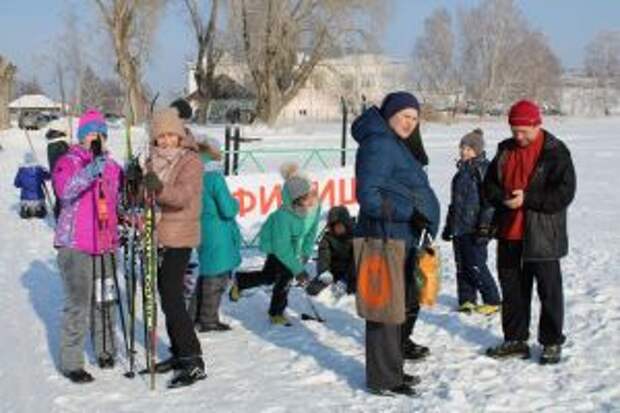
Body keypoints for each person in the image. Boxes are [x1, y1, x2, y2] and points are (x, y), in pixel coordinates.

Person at [352, 91, 440, 396]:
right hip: (383, 236)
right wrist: (409, 214)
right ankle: (383, 379)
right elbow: (369, 196)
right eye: (405, 116)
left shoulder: (392, 142)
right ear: (390, 114)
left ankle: (392, 371)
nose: (410, 123)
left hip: (399, 237)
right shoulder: (379, 144)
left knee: (395, 310)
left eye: (415, 119)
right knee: (384, 312)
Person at [483, 100, 576, 365]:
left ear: (537, 124)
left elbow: (564, 193)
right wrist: (503, 197)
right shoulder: (504, 150)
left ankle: (551, 342)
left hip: (543, 234)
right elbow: (488, 187)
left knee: (549, 291)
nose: (519, 136)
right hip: (509, 232)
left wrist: (528, 199)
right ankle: (515, 339)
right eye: (515, 130)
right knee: (512, 290)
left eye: (524, 131)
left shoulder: (556, 152)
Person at [52, 108, 123, 383]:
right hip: (75, 246)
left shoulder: (112, 166)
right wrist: (92, 169)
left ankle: (105, 350)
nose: (96, 138)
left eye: (100, 134)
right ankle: (72, 362)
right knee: (78, 304)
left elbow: (117, 201)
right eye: (90, 133)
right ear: (82, 136)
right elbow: (65, 190)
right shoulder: (67, 161)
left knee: (105, 300)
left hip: (105, 244)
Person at [143, 108, 206, 387]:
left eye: (171, 135)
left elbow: (181, 197)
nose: (166, 141)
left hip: (180, 235)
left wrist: (157, 187)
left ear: (180, 136)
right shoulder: (151, 161)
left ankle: (193, 360)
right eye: (161, 136)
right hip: (157, 236)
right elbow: (142, 197)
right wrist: (135, 183)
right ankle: (179, 353)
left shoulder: (190, 161)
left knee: (172, 298)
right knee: (166, 296)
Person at [230, 165, 320, 327]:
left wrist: (306, 253)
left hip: (295, 250)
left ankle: (241, 281)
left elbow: (311, 233)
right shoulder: (283, 217)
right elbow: (282, 247)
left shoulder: (315, 207)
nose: (314, 198)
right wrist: (297, 269)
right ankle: (276, 313)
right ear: (296, 199)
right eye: (308, 196)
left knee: (269, 276)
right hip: (278, 249)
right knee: (284, 279)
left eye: (314, 193)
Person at [441, 128, 501, 315]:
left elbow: (489, 202)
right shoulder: (460, 175)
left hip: (475, 228)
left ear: (477, 150)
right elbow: (454, 205)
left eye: (468, 149)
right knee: (462, 265)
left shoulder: (483, 170)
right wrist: (449, 226)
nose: (464, 152)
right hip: (459, 228)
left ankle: (492, 300)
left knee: (476, 264)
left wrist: (484, 226)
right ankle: (467, 299)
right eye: (462, 148)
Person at [190, 137, 241, 332]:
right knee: (216, 278)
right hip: (218, 231)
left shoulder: (193, 174)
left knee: (206, 274)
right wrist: (235, 203)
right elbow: (227, 209)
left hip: (201, 229)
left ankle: (193, 316)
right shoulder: (214, 177)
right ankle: (208, 319)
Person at [306, 205, 355, 297]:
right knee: (312, 289)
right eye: (335, 226)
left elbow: (358, 257)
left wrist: (349, 276)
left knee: (355, 289)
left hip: (352, 271)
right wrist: (324, 271)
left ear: (346, 224)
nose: (338, 228)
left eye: (341, 225)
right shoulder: (327, 239)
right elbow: (324, 257)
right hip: (335, 270)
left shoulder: (356, 235)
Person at [14, 152, 51, 219]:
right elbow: (48, 177)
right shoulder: (39, 170)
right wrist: (45, 171)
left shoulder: (21, 171)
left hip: (25, 198)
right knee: (40, 205)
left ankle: (26, 210)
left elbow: (16, 184)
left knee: (25, 202)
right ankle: (40, 210)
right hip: (39, 197)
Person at [46, 128, 70, 218]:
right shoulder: (61, 145)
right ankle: (62, 218)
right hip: (64, 175)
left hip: (55, 175)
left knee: (58, 196)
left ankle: (58, 215)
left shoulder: (50, 145)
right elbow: (68, 158)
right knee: (64, 197)